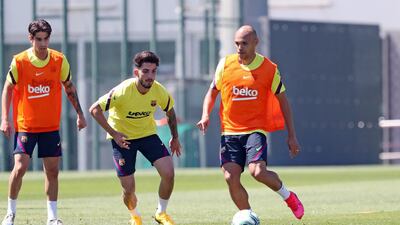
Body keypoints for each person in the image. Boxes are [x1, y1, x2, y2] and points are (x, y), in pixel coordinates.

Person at [197, 25, 304, 220]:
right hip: (229, 131)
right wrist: (205, 115)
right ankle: (248, 217)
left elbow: (284, 102)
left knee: (258, 172)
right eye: (237, 43)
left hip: (255, 130)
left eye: (244, 43)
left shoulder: (269, 69)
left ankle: (288, 197)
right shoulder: (225, 64)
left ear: (256, 42)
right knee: (230, 177)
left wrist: (292, 135)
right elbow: (211, 93)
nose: (239, 47)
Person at [0, 19, 87, 225]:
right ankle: (10, 213)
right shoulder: (20, 61)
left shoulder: (59, 60)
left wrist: (80, 114)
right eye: (38, 39)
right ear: (31, 39)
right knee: (20, 167)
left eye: (46, 38)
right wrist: (4, 119)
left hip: (50, 127)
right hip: (26, 126)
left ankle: (52, 217)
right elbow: (8, 88)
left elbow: (69, 87)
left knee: (52, 170)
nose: (42, 43)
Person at [89, 51, 181, 225]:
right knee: (128, 189)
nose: (150, 76)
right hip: (123, 140)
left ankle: (161, 213)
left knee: (169, 173)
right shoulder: (123, 90)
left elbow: (170, 110)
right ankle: (135, 216)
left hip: (147, 135)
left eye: (153, 71)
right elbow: (94, 109)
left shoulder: (158, 90)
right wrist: (114, 134)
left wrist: (175, 137)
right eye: (146, 71)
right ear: (136, 72)